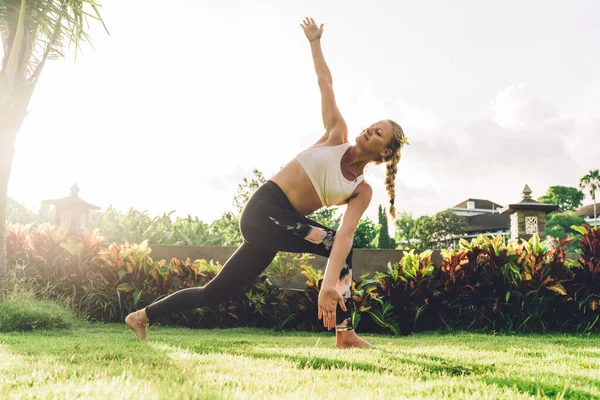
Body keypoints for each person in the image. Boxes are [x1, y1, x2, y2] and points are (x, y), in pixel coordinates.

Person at [125, 17, 408, 348]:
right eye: (372, 125)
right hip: (264, 209)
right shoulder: (336, 135)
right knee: (333, 243)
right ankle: (345, 335)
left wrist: (329, 282)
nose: (369, 130)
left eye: (378, 133)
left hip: (276, 230)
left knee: (217, 292)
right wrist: (315, 43)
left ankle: (142, 316)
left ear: (385, 151)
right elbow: (325, 84)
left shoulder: (361, 189)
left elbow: (344, 236)